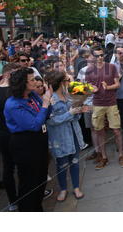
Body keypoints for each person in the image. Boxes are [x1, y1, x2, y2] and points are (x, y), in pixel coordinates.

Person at [4, 68, 53, 211]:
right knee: (29, 183)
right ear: (22, 83)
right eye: (31, 80)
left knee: (40, 179)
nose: (35, 81)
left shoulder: (32, 95)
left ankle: (37, 208)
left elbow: (46, 114)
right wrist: (45, 104)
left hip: (40, 142)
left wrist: (48, 101)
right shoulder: (13, 104)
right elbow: (34, 125)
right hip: (25, 144)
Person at [45, 71, 86, 202]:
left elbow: (75, 114)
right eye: (67, 80)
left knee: (75, 162)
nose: (69, 83)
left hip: (73, 133)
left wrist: (78, 111)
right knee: (61, 164)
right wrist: (70, 113)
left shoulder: (69, 95)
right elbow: (51, 121)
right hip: (59, 137)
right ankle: (63, 189)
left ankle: (76, 187)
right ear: (60, 83)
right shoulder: (50, 100)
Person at [85, 46, 123, 170]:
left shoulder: (111, 67)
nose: (100, 58)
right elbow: (87, 87)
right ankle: (104, 157)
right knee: (99, 131)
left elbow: (117, 84)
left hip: (111, 103)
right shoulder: (89, 70)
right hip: (97, 104)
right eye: (97, 55)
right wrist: (92, 89)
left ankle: (121, 155)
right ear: (93, 56)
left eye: (102, 55)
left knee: (116, 130)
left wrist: (108, 87)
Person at [0, 63, 20, 211]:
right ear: (7, 75)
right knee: (20, 166)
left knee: (8, 167)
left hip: (3, 135)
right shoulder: (14, 91)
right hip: (14, 134)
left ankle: (13, 200)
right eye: (15, 75)